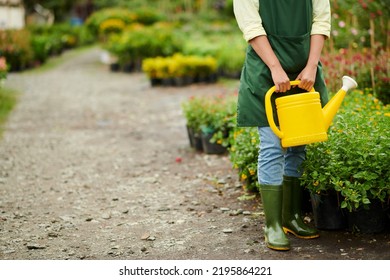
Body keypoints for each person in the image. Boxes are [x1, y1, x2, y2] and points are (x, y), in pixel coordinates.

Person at [233, 0, 331, 251]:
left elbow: (320, 21)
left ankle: (291, 217)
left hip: (304, 72)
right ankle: (273, 224)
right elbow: (252, 28)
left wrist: (311, 66)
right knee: (273, 145)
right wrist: (275, 68)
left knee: (299, 143)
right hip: (266, 71)